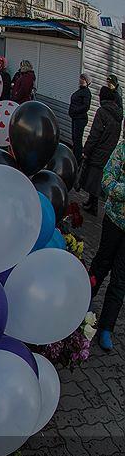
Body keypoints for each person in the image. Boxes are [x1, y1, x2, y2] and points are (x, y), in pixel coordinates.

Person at [88, 141, 125, 350]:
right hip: (113, 221)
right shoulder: (122, 149)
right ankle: (83, 305)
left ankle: (106, 328)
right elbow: (107, 181)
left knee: (120, 281)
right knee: (101, 264)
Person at [81, 85, 123, 214]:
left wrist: (86, 150)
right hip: (109, 150)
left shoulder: (102, 112)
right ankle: (91, 202)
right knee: (99, 177)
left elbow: (95, 133)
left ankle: (93, 206)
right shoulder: (118, 114)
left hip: (98, 149)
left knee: (93, 178)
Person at [69, 73, 93, 163]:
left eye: (83, 79)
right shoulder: (80, 90)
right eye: (80, 78)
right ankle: (75, 156)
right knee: (74, 138)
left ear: (87, 82)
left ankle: (77, 159)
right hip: (75, 118)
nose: (81, 80)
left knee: (77, 139)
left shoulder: (86, 92)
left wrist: (75, 110)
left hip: (80, 119)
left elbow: (86, 106)